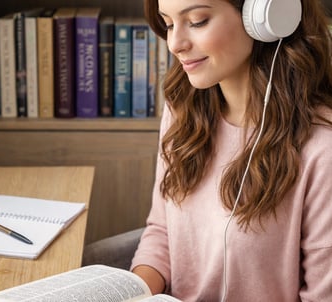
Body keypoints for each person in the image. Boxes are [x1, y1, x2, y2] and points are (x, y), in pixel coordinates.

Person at [130, 0, 332, 301]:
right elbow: (161, 232)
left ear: (266, 14)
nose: (175, 44)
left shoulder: (321, 147)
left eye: (197, 21)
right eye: (169, 24)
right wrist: (130, 291)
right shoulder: (182, 109)